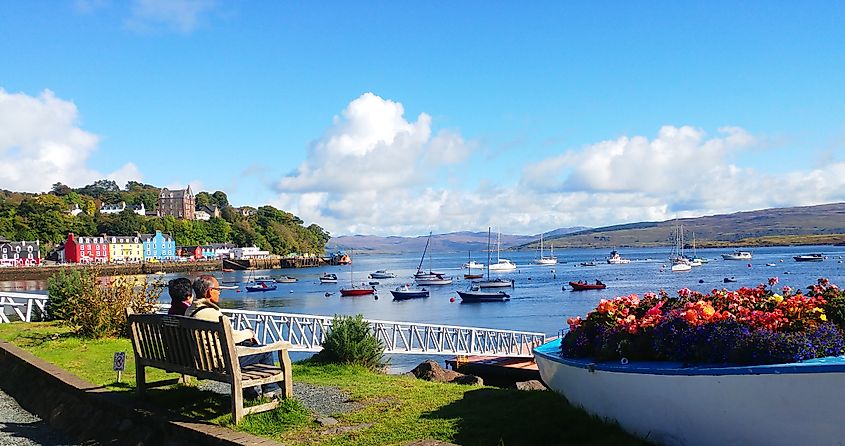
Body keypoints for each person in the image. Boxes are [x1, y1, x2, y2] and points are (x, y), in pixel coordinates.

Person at [185, 275, 282, 400]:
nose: (219, 293)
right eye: (218, 290)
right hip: (220, 363)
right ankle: (270, 390)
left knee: (249, 347)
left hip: (200, 360)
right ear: (209, 292)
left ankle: (250, 392)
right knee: (265, 351)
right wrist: (249, 333)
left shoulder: (189, 311)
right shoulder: (212, 314)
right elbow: (231, 336)